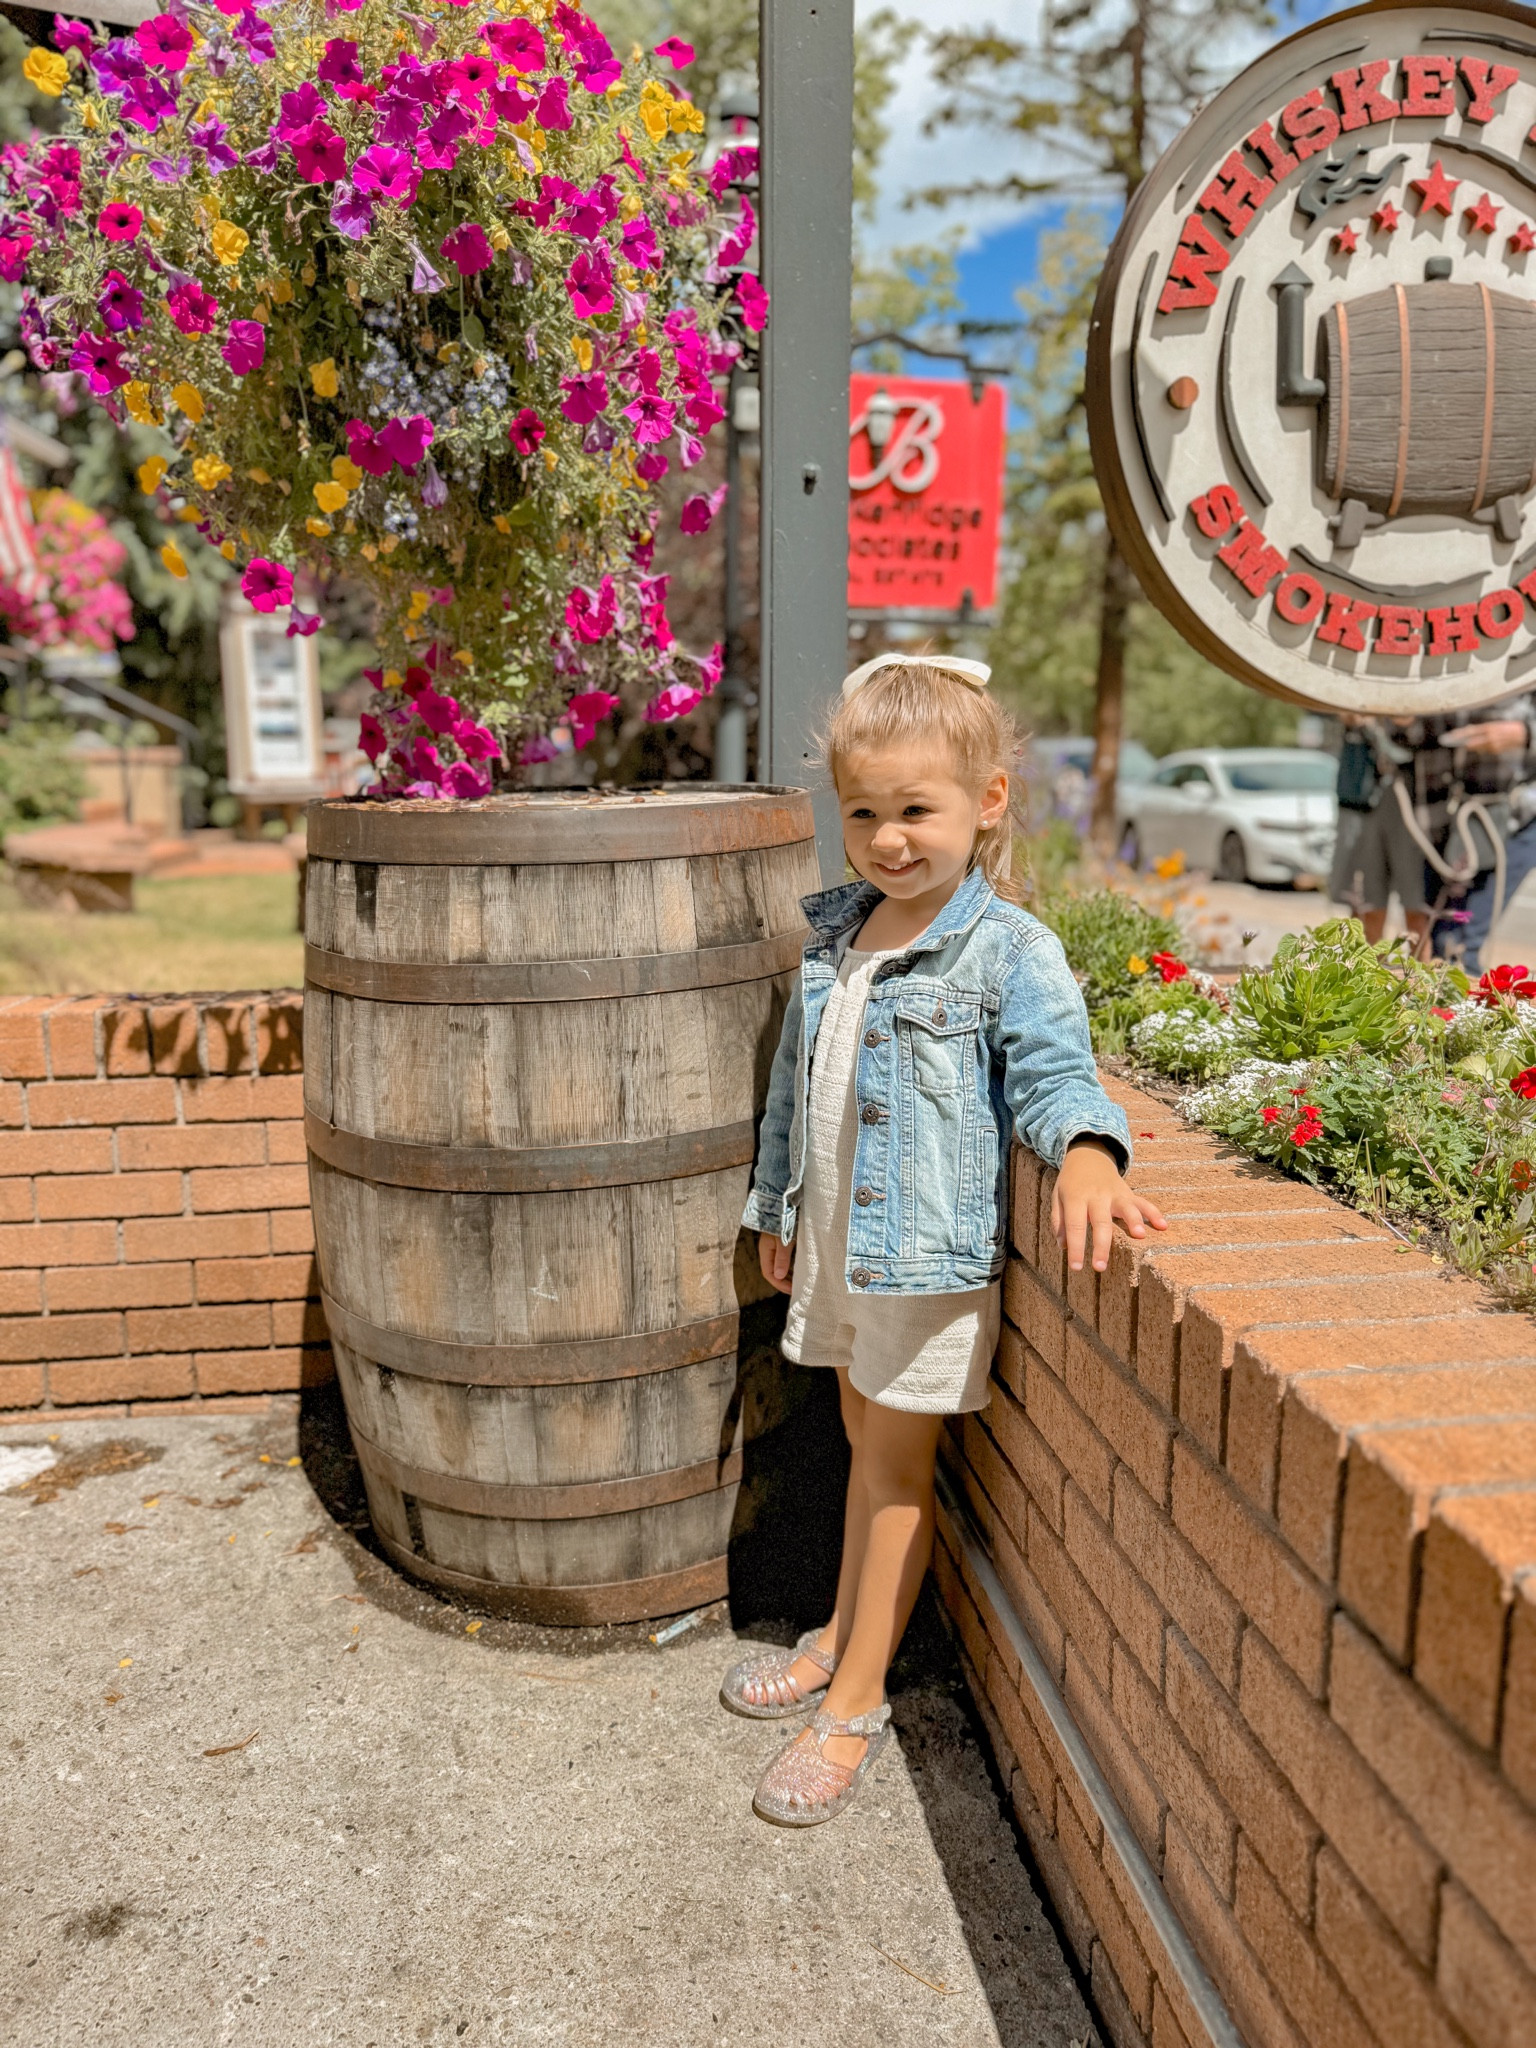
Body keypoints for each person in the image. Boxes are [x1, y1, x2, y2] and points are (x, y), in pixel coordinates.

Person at [720, 653, 1166, 1828]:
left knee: (897, 1465)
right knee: (862, 1434)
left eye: (916, 809)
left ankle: (854, 1702)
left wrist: (1085, 1151)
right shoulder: (840, 934)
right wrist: (776, 1205)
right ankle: (836, 1632)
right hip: (839, 1241)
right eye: (862, 811)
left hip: (920, 1256)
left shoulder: (1007, 948)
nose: (888, 838)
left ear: (990, 798)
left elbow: (1056, 1068)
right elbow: (794, 1088)